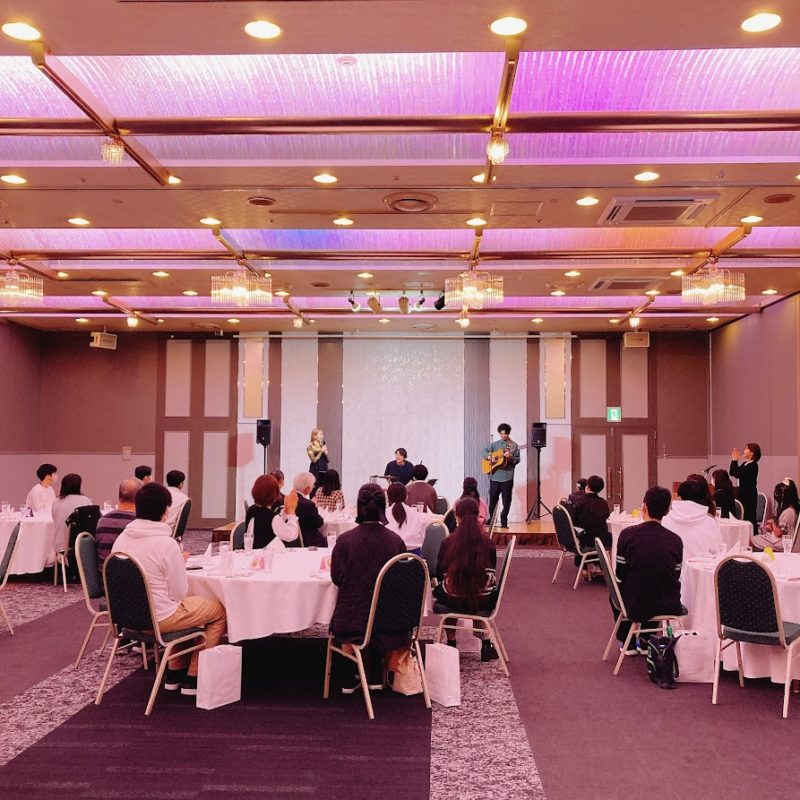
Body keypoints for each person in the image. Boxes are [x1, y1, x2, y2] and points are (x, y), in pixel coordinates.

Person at [111, 482, 227, 696]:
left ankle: (175, 671)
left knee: (187, 609)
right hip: (159, 619)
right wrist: (179, 564)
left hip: (126, 618)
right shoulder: (165, 544)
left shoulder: (121, 539)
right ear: (165, 512)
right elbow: (179, 593)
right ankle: (194, 676)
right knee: (217, 611)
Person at [329, 483, 407, 693]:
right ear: (383, 506)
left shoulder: (345, 541)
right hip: (390, 620)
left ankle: (349, 673)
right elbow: (401, 583)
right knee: (377, 610)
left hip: (352, 620)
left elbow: (337, 578)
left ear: (359, 506)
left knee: (351, 608)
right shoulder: (396, 542)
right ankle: (375, 674)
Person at [614, 486, 684, 653]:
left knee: (617, 591)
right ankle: (647, 640)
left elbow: (620, 573)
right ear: (667, 511)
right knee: (658, 583)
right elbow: (675, 575)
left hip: (634, 603)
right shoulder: (675, 540)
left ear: (643, 507)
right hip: (667, 603)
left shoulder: (627, 535)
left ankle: (628, 641)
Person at [434, 497, 499, 661]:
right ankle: (486, 644)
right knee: (475, 587)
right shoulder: (488, 543)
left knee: (448, 590)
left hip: (453, 599)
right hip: (483, 600)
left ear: (457, 517)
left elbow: (440, 571)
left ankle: (451, 642)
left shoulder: (448, 542)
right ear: (478, 517)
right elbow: (491, 569)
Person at [662, 477, 724, 563]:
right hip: (701, 570)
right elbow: (718, 553)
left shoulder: (664, 520)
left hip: (670, 570)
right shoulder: (711, 522)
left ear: (679, 498)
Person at [94, 478, 141, 577]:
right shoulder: (138, 523)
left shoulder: (102, 520)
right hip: (131, 581)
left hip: (105, 578)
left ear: (119, 495)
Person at [244, 474, 300, 549]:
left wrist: (285, 512)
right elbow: (290, 535)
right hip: (264, 554)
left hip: (251, 551)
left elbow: (273, 524)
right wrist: (291, 512)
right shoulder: (272, 518)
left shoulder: (251, 510)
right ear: (275, 495)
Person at [482, 424, 520, 529]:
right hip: (495, 476)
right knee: (493, 499)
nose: (503, 436)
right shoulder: (495, 445)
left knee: (506, 500)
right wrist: (489, 457)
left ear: (508, 433)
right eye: (502, 434)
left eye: (505, 434)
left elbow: (517, 459)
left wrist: (510, 458)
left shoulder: (513, 446)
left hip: (507, 476)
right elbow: (483, 451)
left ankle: (504, 520)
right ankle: (492, 518)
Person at [51, 473, 92, 560]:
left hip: (60, 546)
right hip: (79, 545)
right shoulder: (85, 500)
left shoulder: (56, 502)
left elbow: (55, 519)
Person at [752, 479, 800, 551]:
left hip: (780, 542)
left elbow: (778, 533)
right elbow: (782, 529)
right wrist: (771, 527)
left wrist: (773, 523)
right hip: (778, 540)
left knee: (751, 540)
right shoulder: (789, 510)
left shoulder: (789, 512)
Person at [571, 475, 612, 559]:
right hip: (600, 540)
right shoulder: (603, 503)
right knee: (611, 536)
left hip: (584, 540)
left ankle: (584, 563)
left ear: (587, 486)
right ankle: (607, 563)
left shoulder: (579, 502)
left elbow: (573, 520)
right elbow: (606, 516)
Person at [384, 482, 425, 555]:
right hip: (415, 558)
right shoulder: (417, 514)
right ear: (406, 496)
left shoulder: (384, 514)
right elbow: (422, 538)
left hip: (391, 558)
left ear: (388, 498)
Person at [730, 442, 761, 532]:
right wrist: (733, 460)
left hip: (749, 495)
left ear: (752, 453)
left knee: (749, 516)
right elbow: (732, 472)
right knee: (743, 515)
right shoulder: (745, 464)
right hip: (742, 493)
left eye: (746, 448)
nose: (744, 450)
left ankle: (752, 534)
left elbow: (737, 474)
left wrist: (735, 460)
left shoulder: (753, 465)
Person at [294, 471, 327, 547]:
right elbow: (319, 523)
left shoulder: (287, 500)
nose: (313, 487)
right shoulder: (308, 504)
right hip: (309, 540)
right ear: (307, 488)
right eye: (313, 485)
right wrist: (315, 506)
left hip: (293, 539)